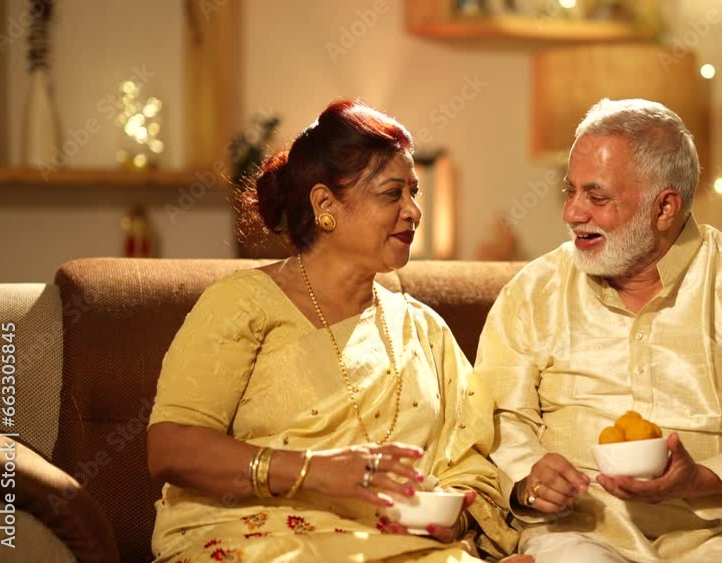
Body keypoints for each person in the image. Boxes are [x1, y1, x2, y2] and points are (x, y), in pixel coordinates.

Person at [147, 100, 525, 563]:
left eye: (414, 192)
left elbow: (469, 461)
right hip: (257, 539)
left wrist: (456, 514)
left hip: (405, 544)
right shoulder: (242, 303)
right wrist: (312, 472)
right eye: (392, 194)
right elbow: (170, 448)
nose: (413, 212)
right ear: (325, 204)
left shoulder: (423, 329)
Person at [477, 98, 722, 563]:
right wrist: (529, 479)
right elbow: (499, 418)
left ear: (665, 207)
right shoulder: (534, 289)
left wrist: (704, 479)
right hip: (581, 537)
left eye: (596, 196)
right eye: (570, 191)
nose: (572, 213)